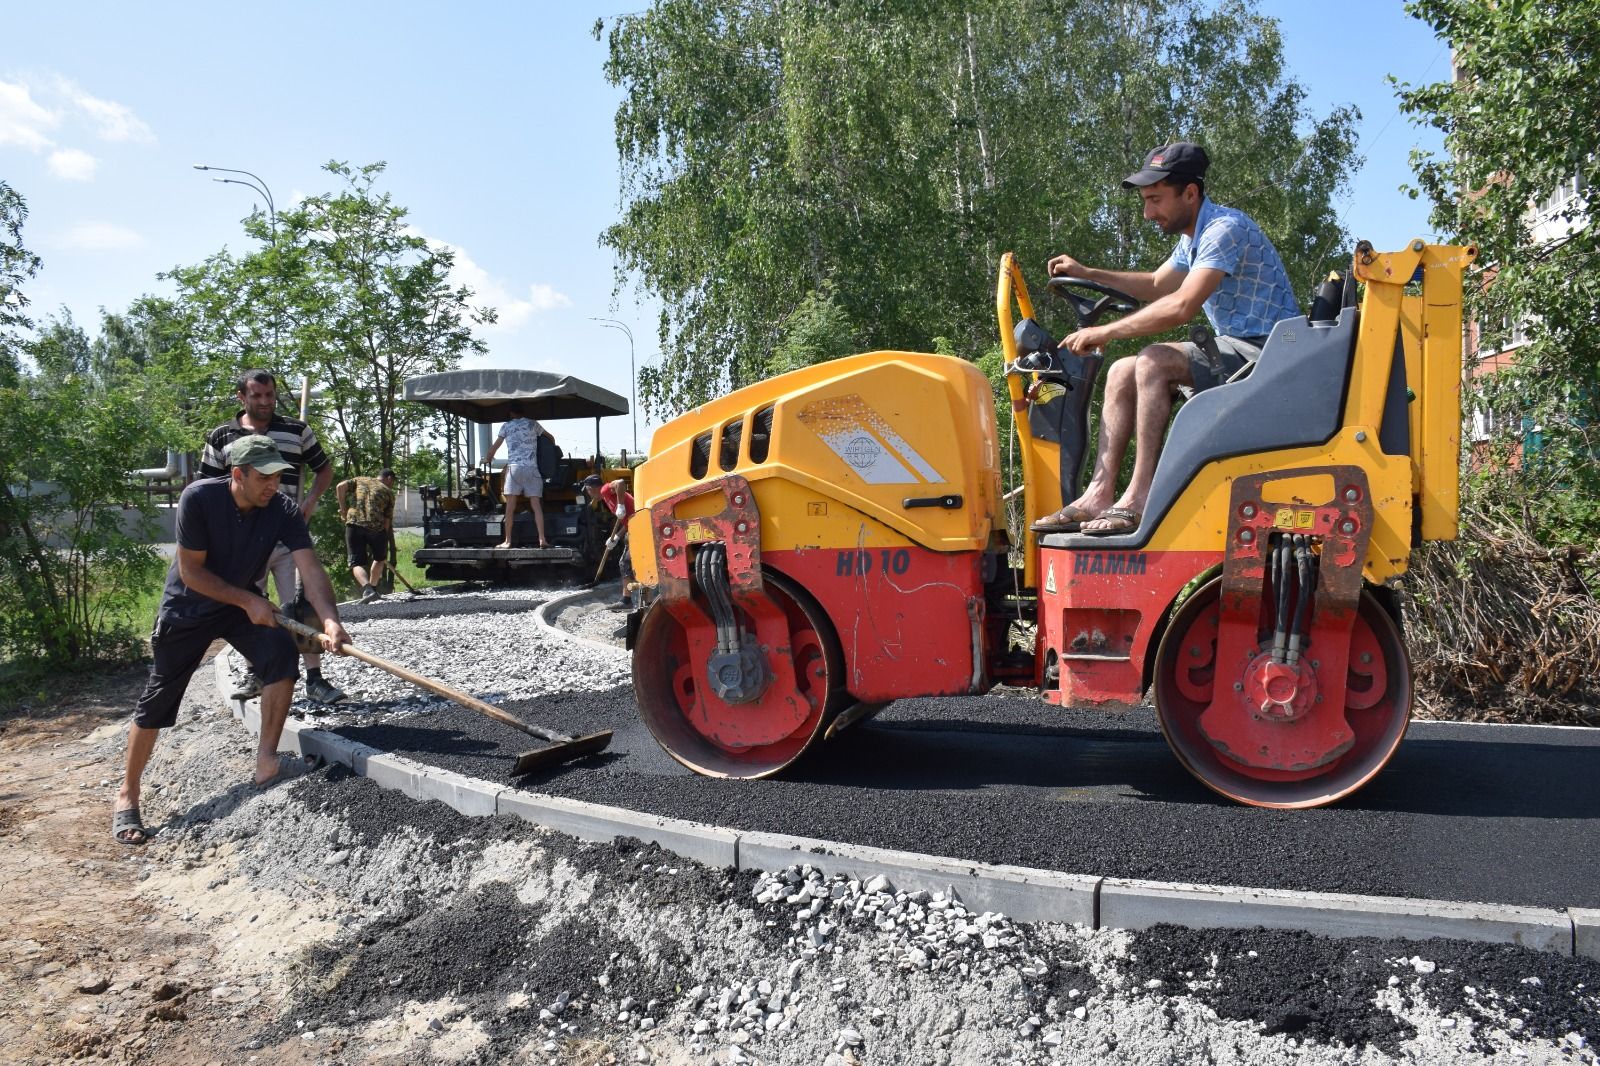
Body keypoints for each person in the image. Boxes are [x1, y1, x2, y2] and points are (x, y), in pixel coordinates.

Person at [1031, 142, 1300, 536]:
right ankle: (1099, 493)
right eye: (1145, 201)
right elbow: (1158, 284)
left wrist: (1103, 331)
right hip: (1242, 351)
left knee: (1154, 360)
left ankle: (1139, 497)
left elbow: (1181, 306)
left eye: (1155, 200)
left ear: (1190, 193)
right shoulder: (1194, 238)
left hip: (1272, 354)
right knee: (1124, 369)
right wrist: (1089, 272)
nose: (1148, 213)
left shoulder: (1225, 230)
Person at [113, 435, 352, 845]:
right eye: (264, 477)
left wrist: (330, 620)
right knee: (158, 699)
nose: (273, 485)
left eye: (278, 477)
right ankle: (127, 795)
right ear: (237, 474)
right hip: (188, 609)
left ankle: (266, 761)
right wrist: (248, 600)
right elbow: (192, 573)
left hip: (238, 606)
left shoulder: (281, 509)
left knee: (280, 657)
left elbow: (310, 571)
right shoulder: (199, 499)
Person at [200, 370, 344, 703]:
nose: (265, 402)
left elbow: (324, 469)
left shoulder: (296, 431)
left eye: (270, 395)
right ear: (241, 397)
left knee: (300, 603)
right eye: (257, 396)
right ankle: (257, 674)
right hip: (242, 543)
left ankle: (315, 678)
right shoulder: (222, 436)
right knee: (251, 606)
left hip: (286, 536)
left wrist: (309, 501)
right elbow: (204, 487)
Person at [483, 402, 554, 549]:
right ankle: (542, 539)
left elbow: (493, 449)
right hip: (532, 469)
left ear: (511, 413)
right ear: (523, 412)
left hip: (514, 469)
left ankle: (507, 541)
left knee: (510, 507)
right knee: (536, 506)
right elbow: (550, 438)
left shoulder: (506, 426)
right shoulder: (533, 424)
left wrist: (488, 458)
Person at [335, 468, 397, 602]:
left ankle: (368, 590)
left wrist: (343, 510)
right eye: (392, 482)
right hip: (376, 528)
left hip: (354, 524)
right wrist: (383, 538)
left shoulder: (360, 480)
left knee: (355, 563)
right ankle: (373, 589)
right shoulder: (389, 492)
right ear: (389, 478)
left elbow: (340, 487)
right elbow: (387, 520)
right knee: (380, 559)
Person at [582, 474, 635, 606]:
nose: (589, 494)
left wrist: (621, 505)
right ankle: (639, 597)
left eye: (588, 491)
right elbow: (627, 521)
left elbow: (621, 482)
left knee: (625, 562)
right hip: (635, 526)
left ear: (590, 488)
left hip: (640, 525)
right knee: (630, 562)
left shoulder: (605, 489)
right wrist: (617, 537)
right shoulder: (605, 498)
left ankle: (626, 601)